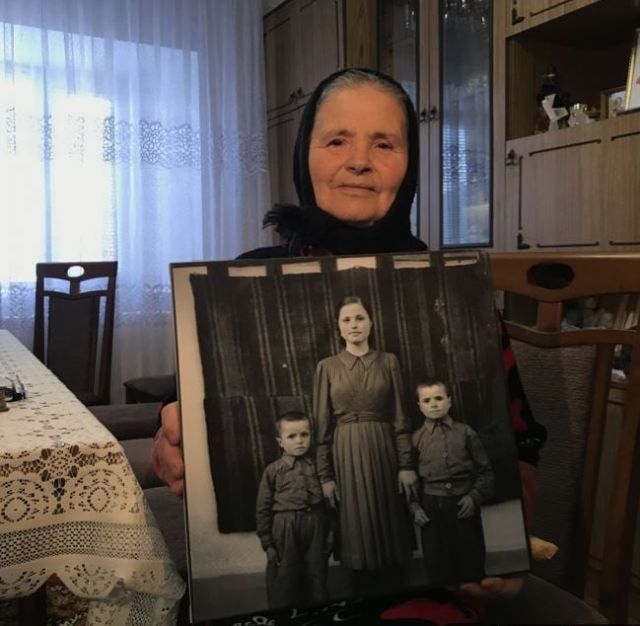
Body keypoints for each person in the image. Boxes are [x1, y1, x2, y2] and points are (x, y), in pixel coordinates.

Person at [152, 68, 547, 620]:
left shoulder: (452, 283)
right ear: (304, 155)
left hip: (430, 581)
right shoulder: (241, 279)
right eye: (337, 140)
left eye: (383, 143)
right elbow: (181, 420)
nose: (359, 161)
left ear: (409, 164)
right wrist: (171, 445)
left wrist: (508, 543)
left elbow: (520, 441)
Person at [313, 295, 415, 579]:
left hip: (383, 447)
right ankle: (361, 583)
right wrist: (325, 476)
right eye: (346, 320)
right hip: (345, 450)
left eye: (360, 318)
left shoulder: (389, 361)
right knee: (355, 517)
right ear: (339, 327)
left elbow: (400, 417)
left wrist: (406, 465)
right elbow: (322, 425)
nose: (354, 325)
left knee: (388, 514)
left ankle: (396, 583)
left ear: (371, 323)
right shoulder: (327, 367)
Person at [410, 379, 494, 587]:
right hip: (431, 508)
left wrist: (474, 497)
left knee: (471, 562)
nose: (434, 404)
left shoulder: (466, 432)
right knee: (437, 566)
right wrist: (414, 507)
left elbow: (485, 471)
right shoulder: (416, 439)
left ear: (449, 401)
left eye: (439, 398)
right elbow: (410, 479)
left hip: (463, 504)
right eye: (427, 400)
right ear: (419, 406)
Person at [255, 411, 329, 609]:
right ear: (280, 442)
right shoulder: (273, 470)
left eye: (304, 434)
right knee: (286, 575)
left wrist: (330, 530)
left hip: (315, 523)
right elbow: (263, 507)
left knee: (317, 573)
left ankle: (318, 612)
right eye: (292, 436)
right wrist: (267, 541)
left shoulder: (318, 466)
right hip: (285, 525)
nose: (299, 441)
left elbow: (328, 501)